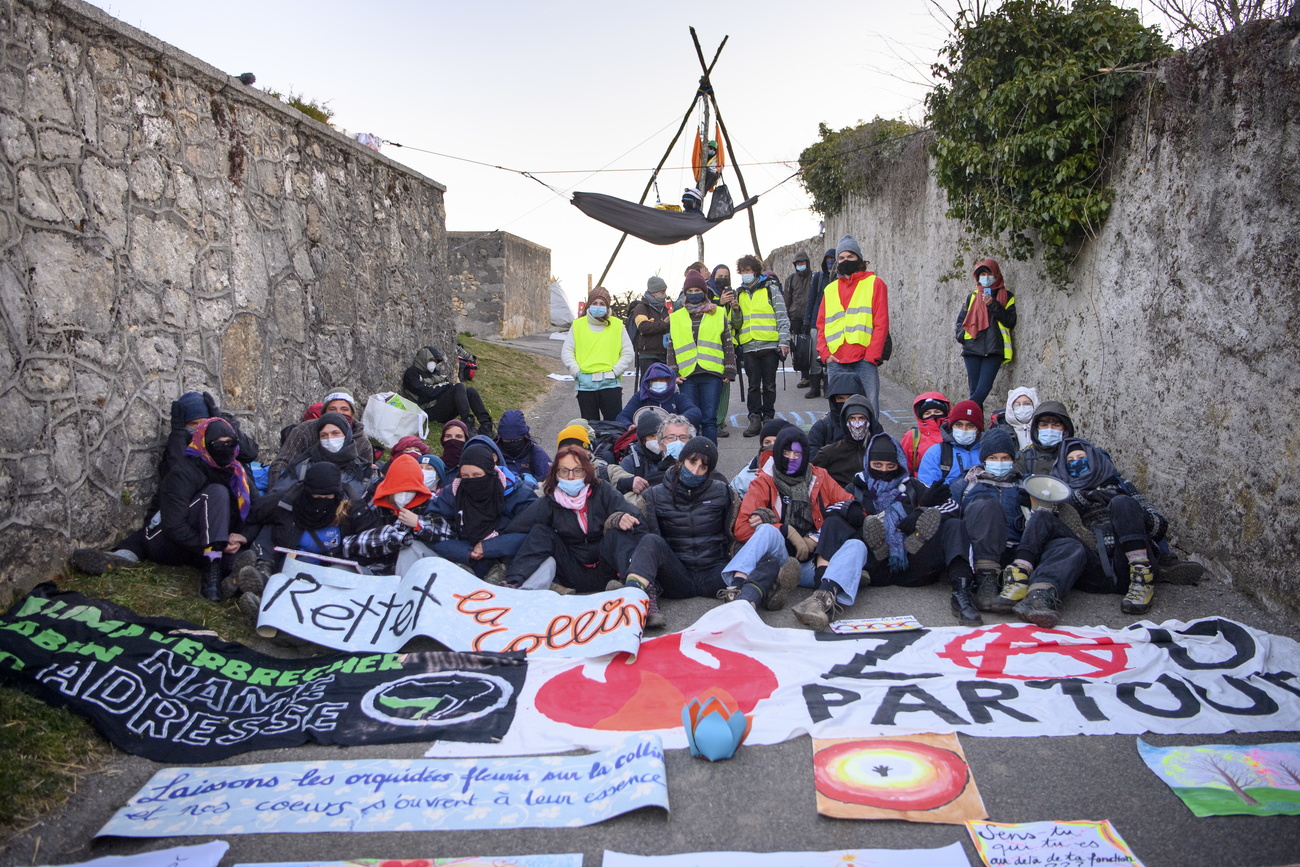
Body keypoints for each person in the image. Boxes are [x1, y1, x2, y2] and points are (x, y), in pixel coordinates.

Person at [790, 432, 967, 630]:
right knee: (835, 523)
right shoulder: (856, 487)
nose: (884, 470)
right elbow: (829, 511)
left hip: (913, 562)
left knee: (954, 526)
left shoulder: (914, 486)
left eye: (890, 466)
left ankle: (962, 592)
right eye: (878, 466)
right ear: (868, 463)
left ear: (899, 464)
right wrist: (850, 509)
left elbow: (954, 507)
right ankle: (823, 590)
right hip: (873, 564)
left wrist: (921, 510)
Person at [992, 438, 1169, 626]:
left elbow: (1159, 526)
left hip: (1125, 563)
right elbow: (1053, 529)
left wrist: (1131, 514)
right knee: (1045, 520)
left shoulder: (1122, 486)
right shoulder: (1062, 492)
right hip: (1092, 568)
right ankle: (1033, 590)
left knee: (1122, 503)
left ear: (1093, 459)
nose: (1076, 462)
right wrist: (1083, 497)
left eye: (1081, 457)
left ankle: (1142, 579)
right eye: (1070, 460)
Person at [73, 418, 252, 601]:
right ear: (205, 444)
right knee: (217, 493)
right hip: (167, 542)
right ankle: (211, 577)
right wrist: (216, 545)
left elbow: (257, 510)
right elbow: (174, 527)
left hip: (200, 543)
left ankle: (238, 583)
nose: (225, 448)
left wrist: (243, 536)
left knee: (243, 560)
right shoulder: (183, 472)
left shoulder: (237, 472)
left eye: (230, 443)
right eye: (218, 444)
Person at [721, 426, 851, 611]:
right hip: (781, 556)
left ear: (805, 455)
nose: (790, 458)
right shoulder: (763, 481)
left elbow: (852, 508)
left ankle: (823, 596)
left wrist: (817, 537)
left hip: (816, 562)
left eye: (797, 454)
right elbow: (741, 529)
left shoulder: (820, 476)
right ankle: (735, 587)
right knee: (766, 530)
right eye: (786, 452)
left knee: (857, 546)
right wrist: (783, 529)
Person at [612, 436, 736, 628]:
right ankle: (635, 601)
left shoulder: (723, 492)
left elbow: (740, 524)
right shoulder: (654, 494)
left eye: (703, 467)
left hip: (715, 572)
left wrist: (762, 515)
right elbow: (637, 528)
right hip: (677, 575)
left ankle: (756, 594)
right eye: (692, 462)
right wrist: (616, 518)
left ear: (709, 471)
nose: (695, 471)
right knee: (650, 540)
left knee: (763, 548)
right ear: (681, 460)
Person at [501, 445, 644, 592]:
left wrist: (619, 519)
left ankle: (633, 587)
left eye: (577, 470)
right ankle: (513, 585)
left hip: (610, 569)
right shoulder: (550, 502)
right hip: (572, 570)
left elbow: (638, 521)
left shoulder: (603, 491)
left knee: (620, 529)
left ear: (586, 471)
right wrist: (490, 550)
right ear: (556, 474)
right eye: (564, 471)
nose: (570, 477)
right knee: (540, 532)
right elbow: (516, 529)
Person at [424, 442, 534, 580]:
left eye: (477, 475)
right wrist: (465, 552)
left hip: (509, 559)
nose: (472, 482)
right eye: (466, 476)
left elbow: (534, 530)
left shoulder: (516, 493)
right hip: (462, 558)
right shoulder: (453, 493)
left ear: (490, 472)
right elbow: (430, 528)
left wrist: (489, 547)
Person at [949, 427, 1025, 622]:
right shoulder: (965, 485)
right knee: (986, 505)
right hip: (980, 553)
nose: (999, 463)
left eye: (1004, 458)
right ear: (984, 460)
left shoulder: (1024, 485)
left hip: (1014, 549)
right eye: (993, 458)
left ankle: (1027, 586)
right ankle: (986, 581)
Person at [815, 235, 889, 417]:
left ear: (859, 259)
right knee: (838, 413)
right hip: (837, 360)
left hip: (864, 360)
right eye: (841, 258)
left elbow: (881, 323)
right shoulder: (830, 289)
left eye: (850, 257)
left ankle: (870, 443)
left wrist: (871, 356)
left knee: (869, 409)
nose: (845, 261)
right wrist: (825, 354)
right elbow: (821, 325)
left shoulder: (875, 283)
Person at [667, 271, 737, 443]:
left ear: (704, 292)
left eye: (697, 290)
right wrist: (673, 373)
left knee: (709, 420)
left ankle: (709, 458)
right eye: (689, 291)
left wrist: (729, 369)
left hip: (712, 373)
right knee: (689, 421)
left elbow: (727, 342)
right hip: (687, 375)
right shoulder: (676, 317)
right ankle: (692, 457)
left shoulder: (718, 312)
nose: (693, 294)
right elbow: (671, 346)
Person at [732, 254, 790, 437]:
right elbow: (737, 323)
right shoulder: (738, 293)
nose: (744, 274)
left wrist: (784, 341)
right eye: (742, 272)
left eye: (747, 271)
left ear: (755, 271)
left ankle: (769, 418)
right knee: (753, 385)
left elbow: (782, 316)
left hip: (769, 345)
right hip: (749, 346)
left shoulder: (771, 289)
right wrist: (734, 311)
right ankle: (754, 417)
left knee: (770, 385)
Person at [562, 287, 634, 422]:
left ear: (607, 307)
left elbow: (628, 352)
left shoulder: (617, 325)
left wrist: (615, 371)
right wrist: (577, 372)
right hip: (585, 384)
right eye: (595, 303)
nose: (598, 307)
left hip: (610, 384)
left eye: (602, 304)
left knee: (614, 426)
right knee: (590, 427)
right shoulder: (578, 325)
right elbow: (567, 351)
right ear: (589, 305)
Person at [269, 389, 370, 486]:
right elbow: (281, 464)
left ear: (352, 414)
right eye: (332, 409)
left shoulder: (362, 443)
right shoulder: (303, 432)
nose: (339, 413)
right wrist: (276, 494)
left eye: (344, 409)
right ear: (324, 413)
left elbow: (366, 477)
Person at [270, 412, 375, 501]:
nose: (330, 439)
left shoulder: (363, 471)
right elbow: (276, 496)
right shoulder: (302, 467)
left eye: (335, 433)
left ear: (346, 436)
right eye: (324, 435)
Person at [955, 259, 1016, 408]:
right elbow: (960, 321)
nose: (986, 277)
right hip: (972, 349)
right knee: (974, 391)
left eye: (989, 274)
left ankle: (961, 413)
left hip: (994, 348)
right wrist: (962, 336)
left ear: (996, 274)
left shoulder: (1006, 296)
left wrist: (992, 304)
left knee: (983, 390)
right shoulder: (972, 297)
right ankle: (975, 428)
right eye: (982, 274)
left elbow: (1010, 321)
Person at [402, 345, 494, 436]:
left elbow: (444, 385)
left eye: (435, 362)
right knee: (458, 387)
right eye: (432, 360)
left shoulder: (435, 373)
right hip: (428, 409)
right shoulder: (412, 374)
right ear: (424, 358)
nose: (434, 364)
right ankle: (467, 422)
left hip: (441, 406)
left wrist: (446, 387)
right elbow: (426, 392)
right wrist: (446, 387)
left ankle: (486, 425)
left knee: (470, 391)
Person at [607, 410, 677, 511]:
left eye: (658, 435)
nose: (656, 439)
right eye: (651, 436)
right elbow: (616, 490)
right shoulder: (630, 461)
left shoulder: (672, 453)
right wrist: (628, 483)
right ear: (643, 439)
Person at [811, 394, 882, 488]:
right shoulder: (829, 452)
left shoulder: (879, 449)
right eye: (852, 418)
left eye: (861, 418)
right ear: (845, 423)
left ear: (869, 421)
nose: (857, 423)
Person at [613, 361, 702, 429]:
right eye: (654, 380)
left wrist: (676, 421)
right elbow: (622, 417)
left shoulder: (677, 397)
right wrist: (630, 426)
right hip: (645, 439)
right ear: (648, 382)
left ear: (670, 382)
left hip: (671, 437)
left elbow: (695, 412)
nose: (659, 383)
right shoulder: (640, 397)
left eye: (663, 380)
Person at [917, 400, 984, 486]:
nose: (964, 429)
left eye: (970, 425)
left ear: (978, 430)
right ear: (952, 427)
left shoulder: (988, 453)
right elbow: (926, 487)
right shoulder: (936, 453)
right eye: (959, 425)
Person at [808, 372, 872, 459]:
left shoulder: (872, 426)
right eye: (840, 399)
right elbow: (813, 461)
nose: (846, 403)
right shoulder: (821, 428)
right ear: (833, 400)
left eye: (850, 398)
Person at [706, 263, 738, 437]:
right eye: (720, 275)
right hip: (711, 344)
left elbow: (737, 322)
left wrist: (735, 308)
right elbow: (704, 312)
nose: (723, 279)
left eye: (726, 276)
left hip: (729, 345)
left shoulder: (733, 293)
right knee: (711, 385)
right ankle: (711, 420)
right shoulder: (707, 292)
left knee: (726, 382)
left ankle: (719, 420)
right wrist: (719, 303)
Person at [802, 248, 837, 399]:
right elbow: (811, 299)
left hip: (834, 322)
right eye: (827, 259)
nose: (830, 262)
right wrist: (807, 320)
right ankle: (815, 386)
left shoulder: (839, 278)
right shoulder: (818, 277)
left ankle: (829, 387)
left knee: (831, 355)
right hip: (817, 320)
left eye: (832, 259)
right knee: (815, 355)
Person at [731, 418, 792, 497]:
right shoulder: (746, 474)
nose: (772, 446)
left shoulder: (798, 468)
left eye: (776, 442)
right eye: (767, 442)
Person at [1013, 400, 1074, 477]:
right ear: (1036, 429)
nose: (1049, 429)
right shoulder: (1024, 457)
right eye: (1044, 425)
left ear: (1065, 429)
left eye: (1056, 425)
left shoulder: (1073, 455)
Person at [629, 276, 672, 378]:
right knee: (648, 383)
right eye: (662, 292)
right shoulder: (641, 308)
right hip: (648, 355)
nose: (664, 295)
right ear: (653, 292)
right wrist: (664, 323)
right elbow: (643, 326)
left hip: (663, 353)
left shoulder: (663, 309)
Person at [494, 409, 551, 484]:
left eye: (517, 440)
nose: (512, 443)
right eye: (508, 441)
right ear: (501, 438)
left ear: (525, 437)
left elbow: (549, 478)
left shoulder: (535, 453)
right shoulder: (493, 454)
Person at [900, 392, 951, 474]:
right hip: (921, 483)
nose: (933, 415)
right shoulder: (912, 436)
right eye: (927, 413)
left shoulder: (954, 433)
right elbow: (904, 466)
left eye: (937, 412)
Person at [784, 251, 814, 388]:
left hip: (811, 317)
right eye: (798, 263)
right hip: (796, 317)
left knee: (813, 348)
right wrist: (787, 319)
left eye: (802, 262)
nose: (800, 265)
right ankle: (805, 376)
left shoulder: (814, 277)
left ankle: (816, 376)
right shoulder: (790, 280)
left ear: (807, 263)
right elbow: (787, 300)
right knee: (800, 349)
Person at [996, 387, 1040, 451]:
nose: (1022, 408)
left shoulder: (1043, 430)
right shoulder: (1003, 433)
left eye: (1027, 404)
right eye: (1017, 405)